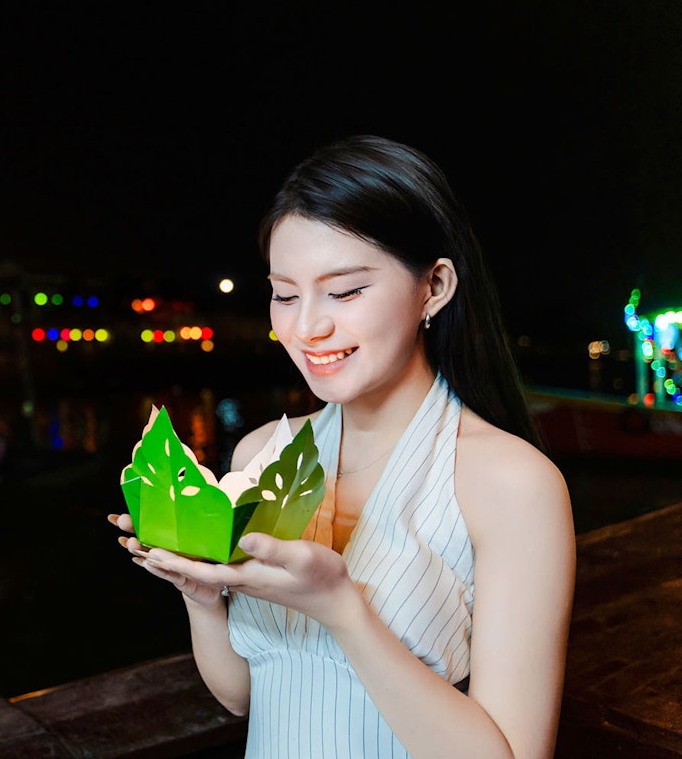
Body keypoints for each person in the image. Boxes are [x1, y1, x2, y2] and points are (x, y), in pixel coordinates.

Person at [110, 136, 574, 758]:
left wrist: (343, 609)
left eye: (346, 291)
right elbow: (246, 694)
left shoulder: (512, 482)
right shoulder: (261, 455)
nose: (306, 328)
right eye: (285, 293)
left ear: (433, 287)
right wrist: (199, 592)